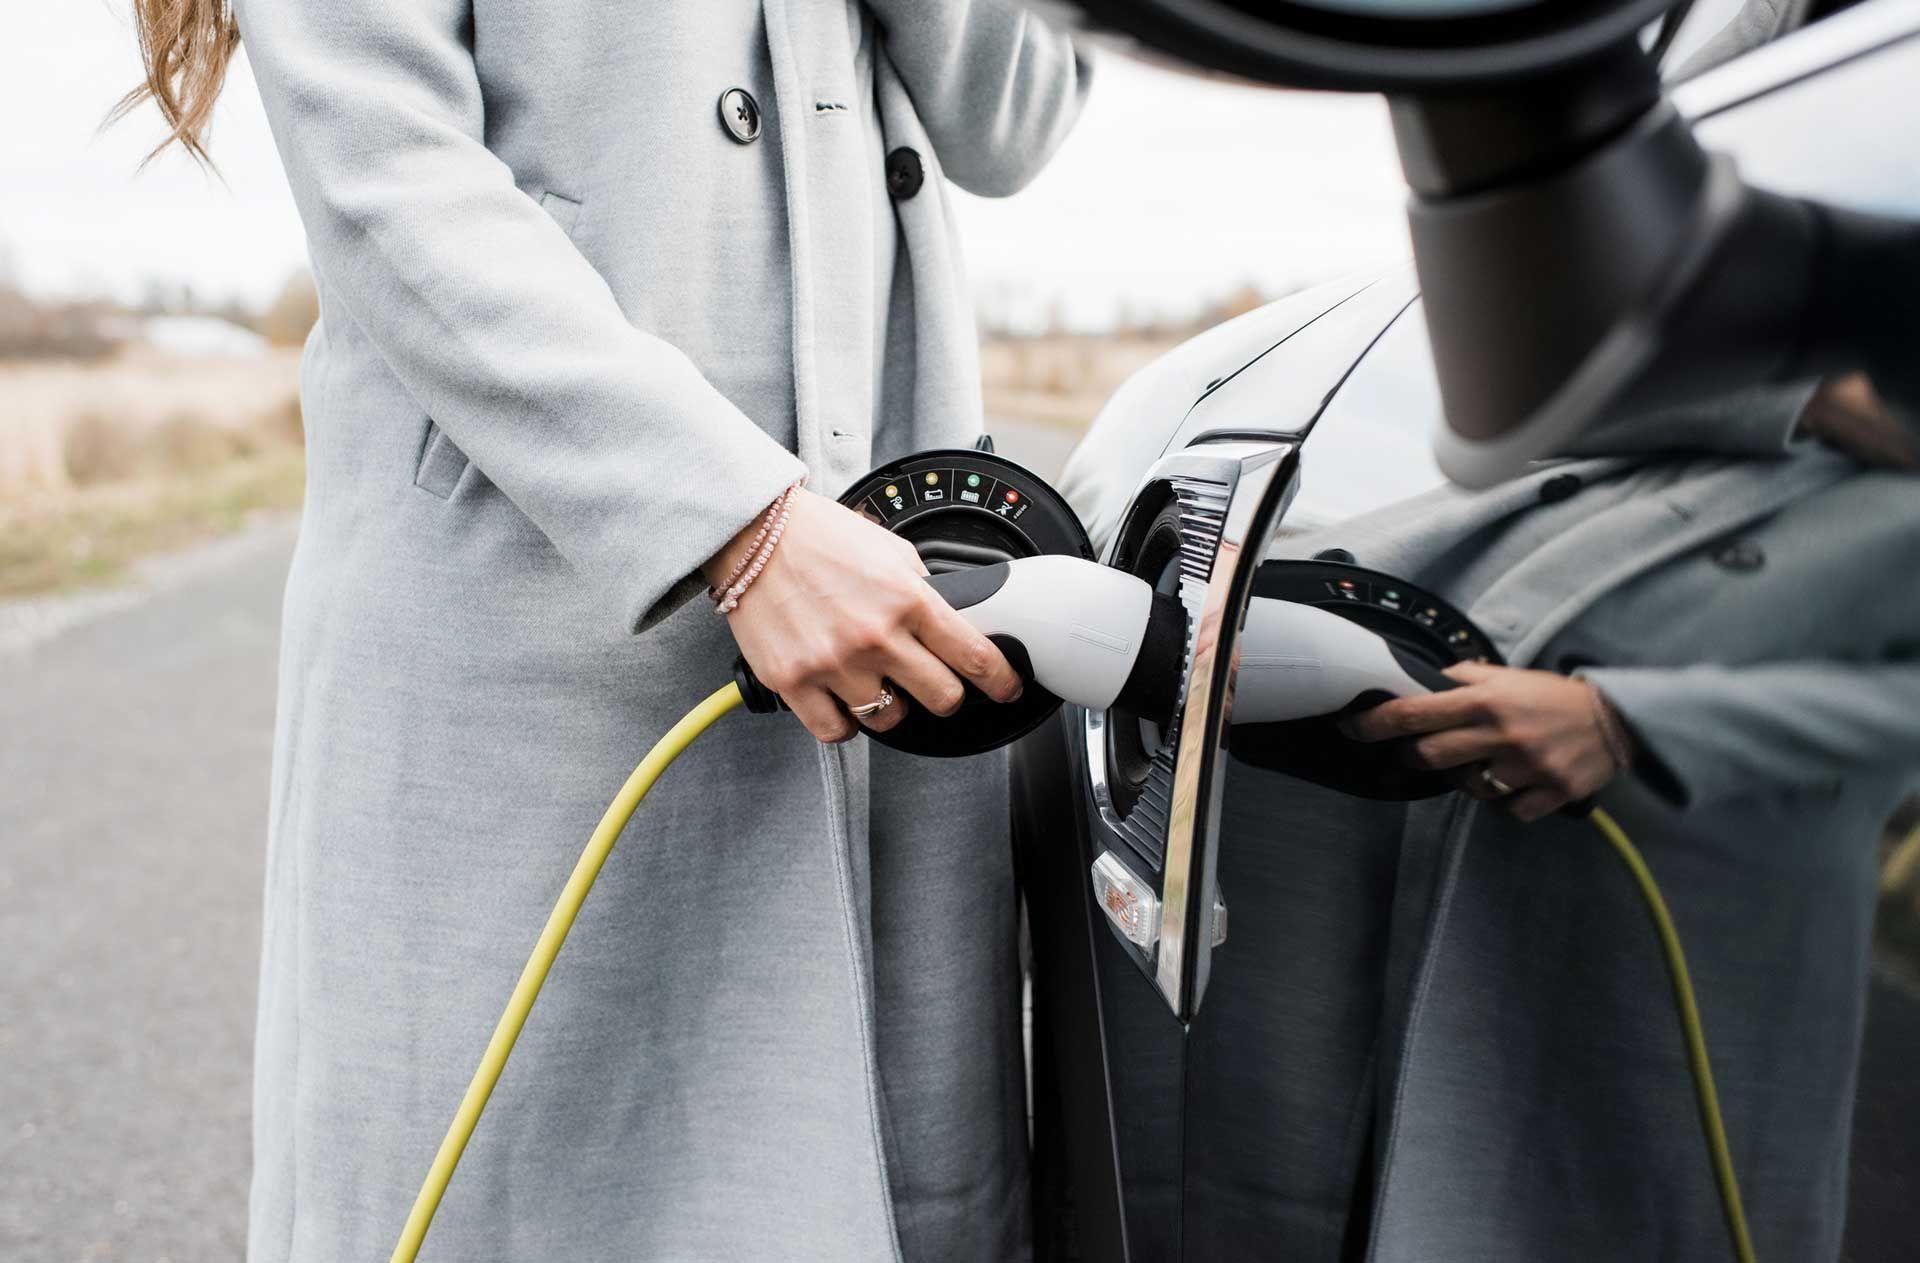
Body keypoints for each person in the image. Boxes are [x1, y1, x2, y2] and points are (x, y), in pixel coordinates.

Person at [121, 1, 1087, 1258]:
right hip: (531, 614)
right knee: (523, 1191)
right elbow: (384, 167)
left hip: (876, 597)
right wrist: (737, 522)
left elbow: (1013, 118)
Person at [1190, 376, 1920, 1262]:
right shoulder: (1778, 337)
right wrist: (1809, 400)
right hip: (1386, 811)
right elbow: (1512, 399)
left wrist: (1633, 721)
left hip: (1701, 884)